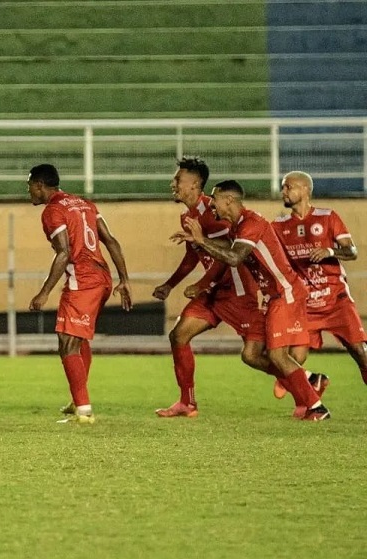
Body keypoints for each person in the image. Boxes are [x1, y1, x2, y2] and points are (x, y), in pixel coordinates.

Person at [176, 180, 331, 421]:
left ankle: (316, 406)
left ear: (228, 200)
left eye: (214, 199)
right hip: (274, 296)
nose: (211, 204)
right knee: (251, 355)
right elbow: (229, 246)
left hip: (285, 293)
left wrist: (203, 241)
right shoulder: (237, 226)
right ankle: (310, 382)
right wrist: (198, 241)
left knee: (279, 356)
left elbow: (235, 257)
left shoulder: (252, 223)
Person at [152, 157, 265, 418]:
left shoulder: (213, 213)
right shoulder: (188, 216)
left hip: (236, 288)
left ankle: (306, 380)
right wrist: (170, 284)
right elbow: (194, 254)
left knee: (255, 354)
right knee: (178, 335)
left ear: (195, 184)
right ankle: (187, 402)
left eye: (177, 180)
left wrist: (204, 283)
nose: (173, 184)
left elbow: (231, 251)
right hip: (213, 292)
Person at [26, 164, 132, 423]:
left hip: (83, 281)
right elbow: (110, 240)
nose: (28, 190)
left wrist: (44, 292)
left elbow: (64, 252)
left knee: (67, 342)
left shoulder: (53, 211)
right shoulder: (85, 203)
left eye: (29, 185)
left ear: (40, 185)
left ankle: (83, 411)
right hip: (102, 278)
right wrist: (124, 279)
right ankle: (78, 401)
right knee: (78, 340)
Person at [271, 171, 366, 397]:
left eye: (288, 187)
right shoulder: (278, 226)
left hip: (336, 300)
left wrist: (329, 251)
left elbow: (351, 251)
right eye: (283, 187)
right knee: (292, 360)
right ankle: (309, 398)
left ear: (305, 190)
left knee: (361, 352)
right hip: (305, 305)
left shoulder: (327, 217)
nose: (283, 191)